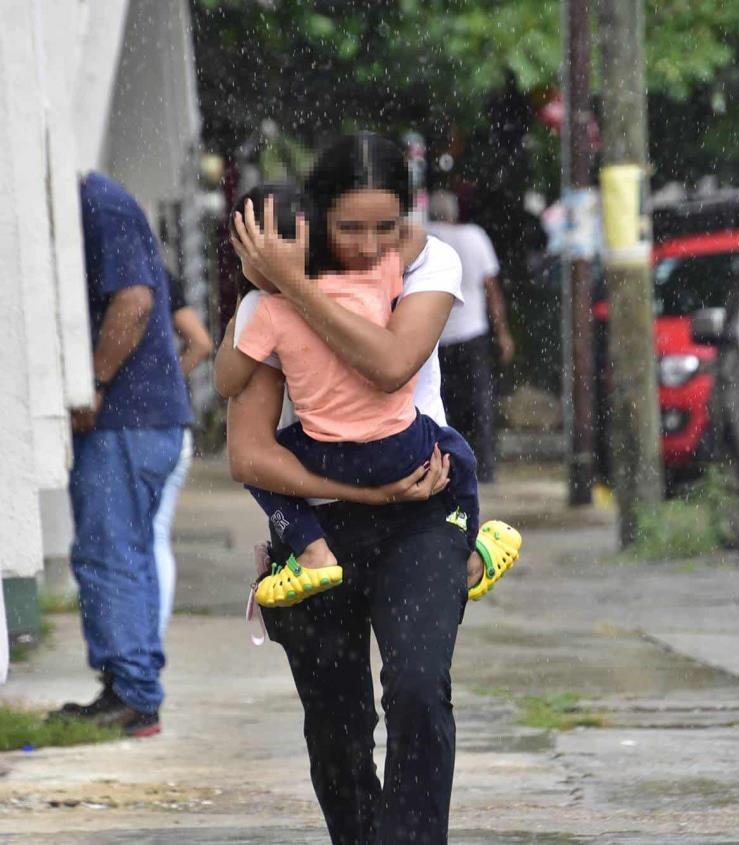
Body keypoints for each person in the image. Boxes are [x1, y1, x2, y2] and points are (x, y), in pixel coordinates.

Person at [225, 132, 515, 844]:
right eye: (348, 226)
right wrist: (356, 498)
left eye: (385, 225)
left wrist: (293, 287)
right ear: (315, 218)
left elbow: (390, 365)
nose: (368, 243)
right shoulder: (264, 301)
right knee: (337, 724)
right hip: (320, 525)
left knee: (418, 688)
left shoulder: (424, 263)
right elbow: (249, 452)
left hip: (420, 510)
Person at [220, 184, 516, 610]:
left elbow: (226, 383)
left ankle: (310, 549)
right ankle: (470, 545)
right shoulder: (370, 279)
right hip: (402, 448)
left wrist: (243, 308)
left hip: (324, 455)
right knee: (458, 454)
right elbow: (414, 241)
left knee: (260, 469)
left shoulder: (265, 311)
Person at [52, 172, 190, 737]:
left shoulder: (98, 203)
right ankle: (128, 686)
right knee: (119, 552)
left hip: (126, 419)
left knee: (111, 553)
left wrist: (94, 380)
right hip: (139, 420)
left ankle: (132, 693)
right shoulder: (103, 200)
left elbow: (133, 301)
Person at [427, 189, 515, 483]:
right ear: (455, 213)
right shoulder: (475, 236)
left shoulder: (426, 237)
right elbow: (492, 289)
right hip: (472, 333)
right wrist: (503, 333)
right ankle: (485, 466)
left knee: (440, 402)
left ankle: (446, 465)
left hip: (434, 336)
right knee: (480, 402)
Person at [152, 270, 213, 637]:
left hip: (144, 424)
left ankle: (147, 638)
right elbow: (201, 342)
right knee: (157, 535)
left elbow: (201, 343)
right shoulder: (159, 274)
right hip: (174, 425)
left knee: (142, 538)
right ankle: (153, 634)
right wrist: (168, 382)